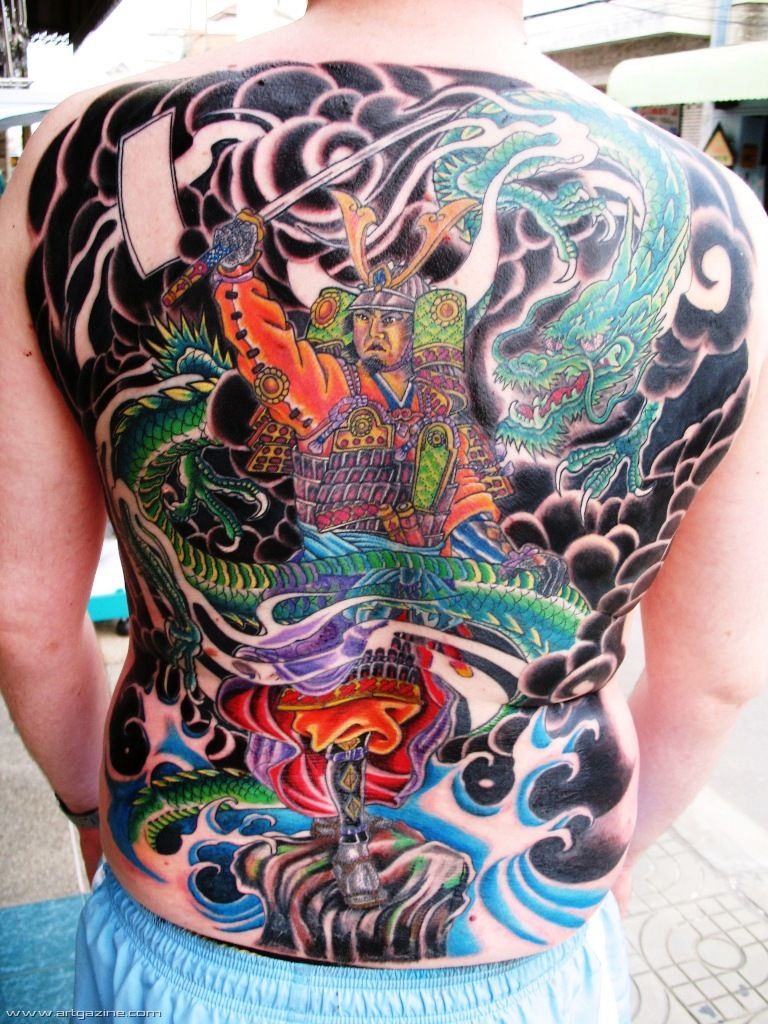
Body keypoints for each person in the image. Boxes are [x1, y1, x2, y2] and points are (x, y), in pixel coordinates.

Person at [1, 0, 767, 1020]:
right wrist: (607, 857)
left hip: (184, 940)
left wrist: (93, 812)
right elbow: (718, 675)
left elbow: (23, 620)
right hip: (528, 949)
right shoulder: (722, 214)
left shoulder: (89, 147)